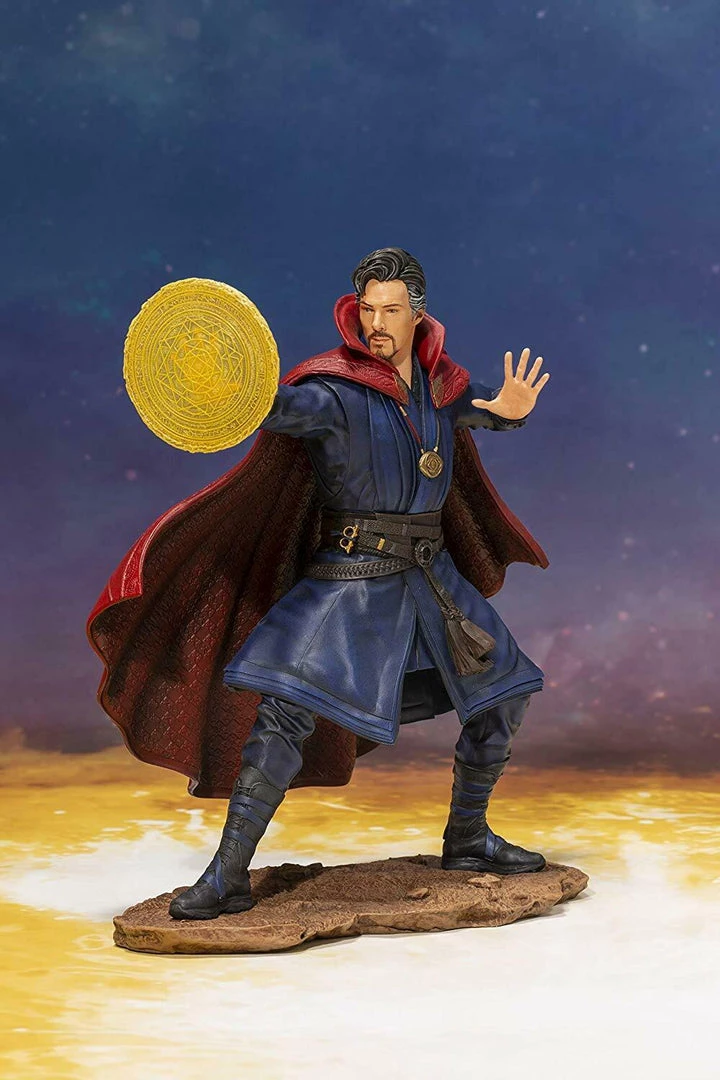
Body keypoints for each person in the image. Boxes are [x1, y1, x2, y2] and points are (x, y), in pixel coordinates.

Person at [86, 247, 551, 922]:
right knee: (281, 718)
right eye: (367, 309)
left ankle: (468, 837)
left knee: (505, 695)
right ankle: (226, 876)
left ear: (418, 316)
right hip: (349, 582)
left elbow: (484, 409)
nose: (377, 323)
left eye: (391, 310)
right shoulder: (332, 393)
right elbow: (276, 407)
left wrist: (511, 411)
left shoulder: (440, 388)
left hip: (430, 581)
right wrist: (219, 384)